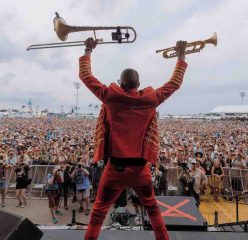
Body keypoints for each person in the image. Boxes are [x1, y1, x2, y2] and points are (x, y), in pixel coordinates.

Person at [79, 37, 188, 240]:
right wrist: (181, 55)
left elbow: (85, 75)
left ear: (121, 84)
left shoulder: (110, 96)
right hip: (140, 170)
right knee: (153, 210)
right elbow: (175, 82)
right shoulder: (151, 99)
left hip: (114, 169)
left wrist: (88, 49)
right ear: (138, 84)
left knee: (99, 211)